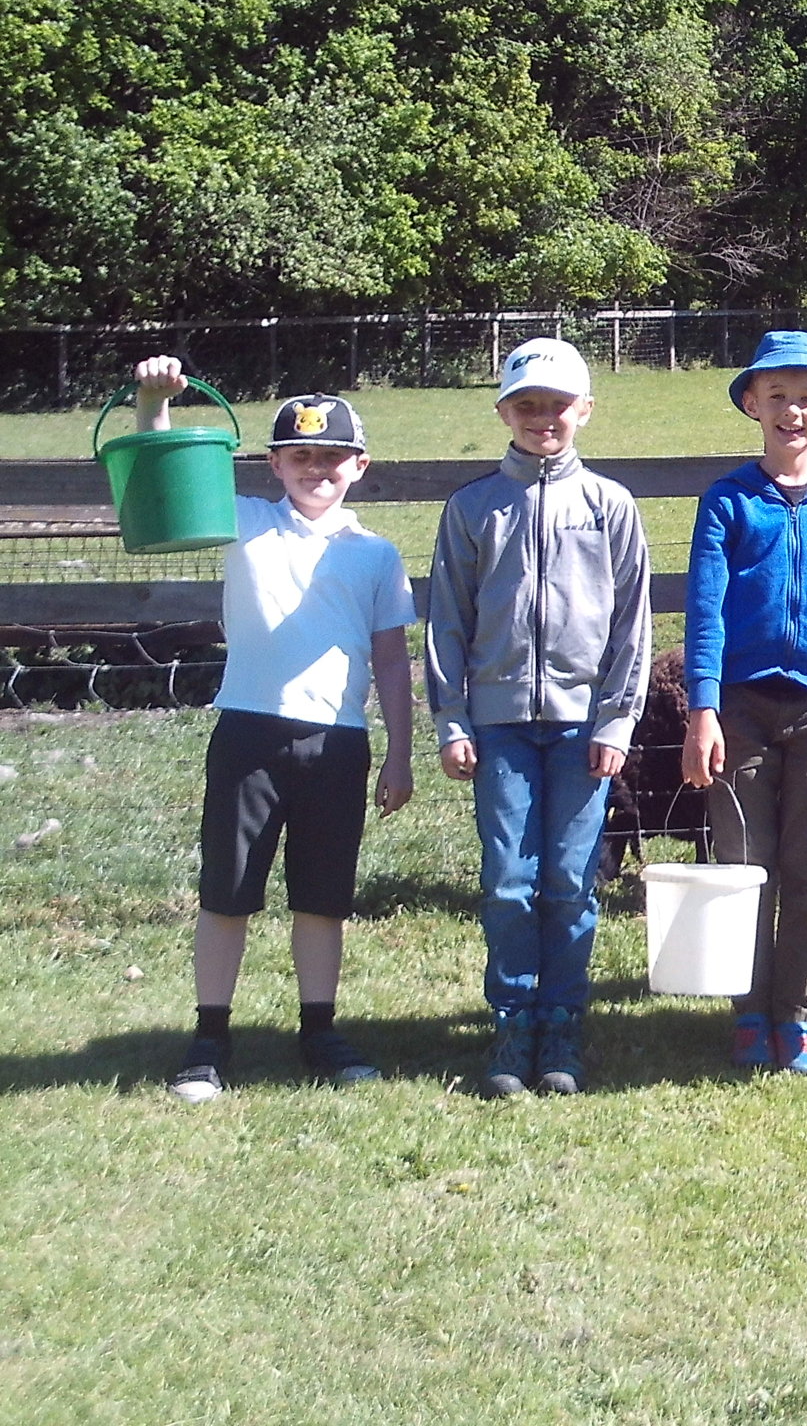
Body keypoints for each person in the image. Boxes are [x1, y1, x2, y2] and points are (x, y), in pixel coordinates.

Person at [129, 357, 416, 1104]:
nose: (315, 468)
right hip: (249, 734)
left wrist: (399, 754)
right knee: (227, 892)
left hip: (338, 742)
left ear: (359, 465)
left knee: (322, 899)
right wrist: (155, 404)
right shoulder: (246, 522)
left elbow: (391, 658)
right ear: (274, 463)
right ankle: (209, 1037)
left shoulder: (376, 554)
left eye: (331, 456)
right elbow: (164, 489)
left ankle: (319, 1029)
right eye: (299, 455)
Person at [427, 337, 650, 1097]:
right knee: (509, 881)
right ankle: (512, 1020)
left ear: (583, 411)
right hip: (498, 725)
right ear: (504, 413)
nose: (542, 419)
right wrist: (453, 720)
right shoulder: (474, 507)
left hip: (583, 725)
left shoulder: (610, 506)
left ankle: (562, 1023)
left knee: (569, 878)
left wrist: (617, 721)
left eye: (557, 406)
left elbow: (632, 624)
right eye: (527, 406)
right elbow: (448, 621)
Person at [682, 330, 807, 1076]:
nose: (792, 411)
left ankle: (799, 1017)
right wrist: (703, 708)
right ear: (751, 405)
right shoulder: (728, 501)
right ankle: (748, 1014)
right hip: (740, 708)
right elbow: (705, 613)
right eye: (777, 396)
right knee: (745, 867)